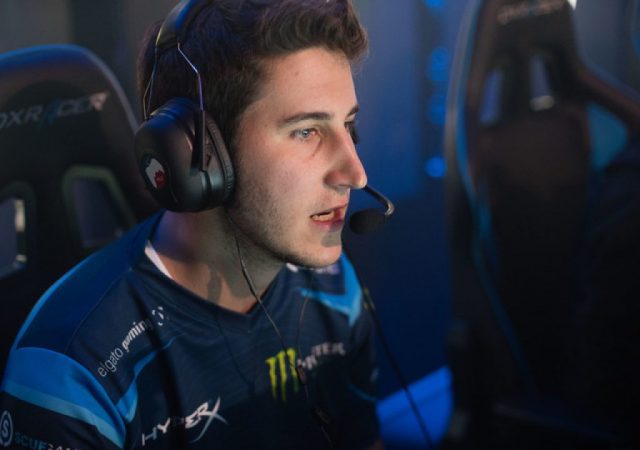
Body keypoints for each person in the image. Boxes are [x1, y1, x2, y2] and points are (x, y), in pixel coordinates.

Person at [0, 0, 383, 449]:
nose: (356, 174)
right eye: (307, 131)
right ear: (198, 155)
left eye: (348, 125)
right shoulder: (74, 371)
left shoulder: (336, 287)